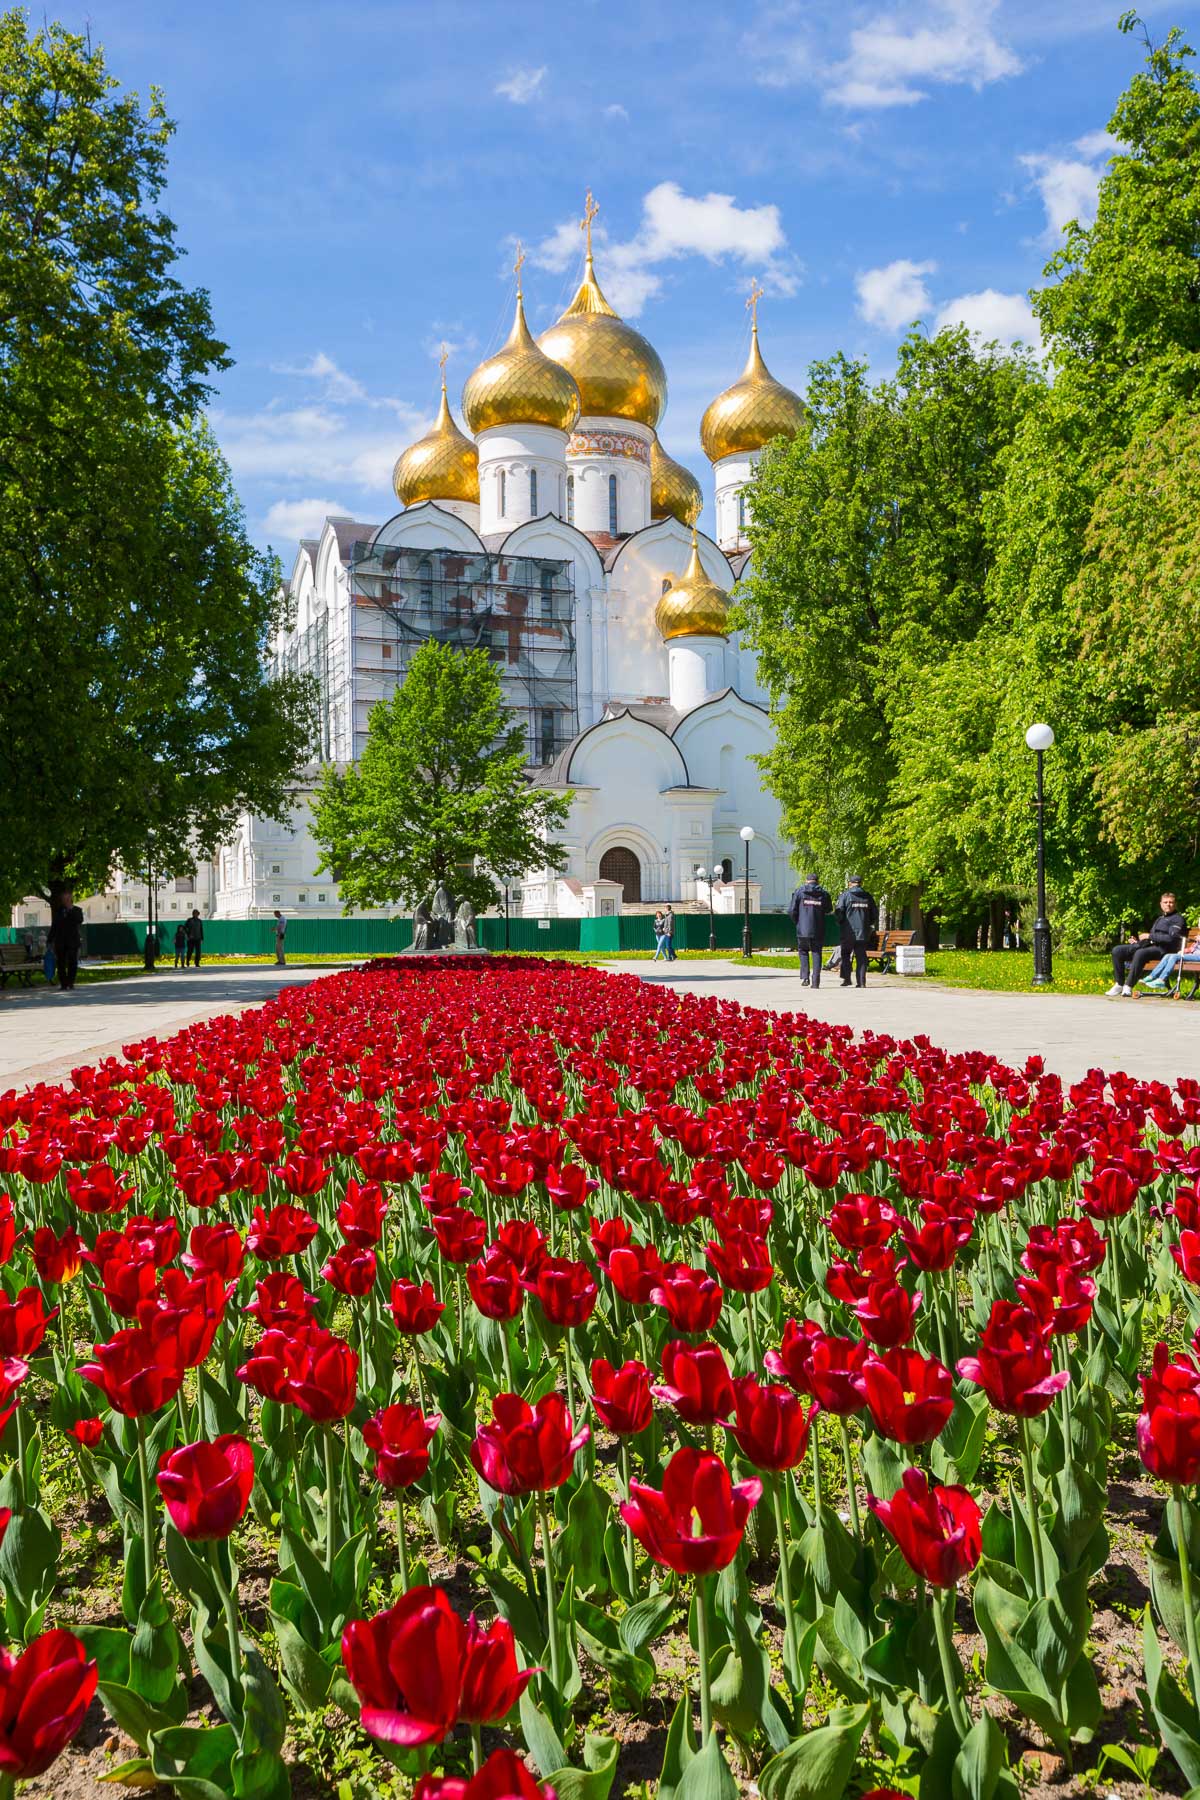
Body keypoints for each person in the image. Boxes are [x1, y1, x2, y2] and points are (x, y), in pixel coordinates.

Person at [1107, 893, 1187, 996]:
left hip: (1165, 950)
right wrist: (1138, 942)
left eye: (1171, 902)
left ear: (1175, 904)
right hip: (1150, 946)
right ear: (1161, 904)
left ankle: (1128, 986)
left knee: (1140, 953)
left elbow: (1171, 939)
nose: (1168, 904)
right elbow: (1152, 936)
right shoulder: (1160, 918)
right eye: (1165, 902)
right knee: (1117, 950)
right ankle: (1119, 984)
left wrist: (1149, 936)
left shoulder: (1178, 919)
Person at [788, 872, 833, 989]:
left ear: (806, 881)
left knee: (803, 951)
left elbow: (792, 910)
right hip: (818, 928)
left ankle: (805, 977)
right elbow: (829, 909)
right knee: (816, 952)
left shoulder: (799, 892)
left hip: (802, 929)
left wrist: (798, 922)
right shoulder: (824, 894)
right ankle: (816, 982)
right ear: (818, 881)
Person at [834, 875, 879, 990]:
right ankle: (862, 982)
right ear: (861, 883)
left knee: (845, 954)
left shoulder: (845, 896)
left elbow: (839, 912)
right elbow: (874, 914)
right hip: (863, 932)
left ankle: (847, 979)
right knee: (861, 956)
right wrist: (867, 925)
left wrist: (841, 923)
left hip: (848, 932)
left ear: (850, 883)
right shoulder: (868, 896)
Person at [51, 890, 83, 992]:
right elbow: (54, 926)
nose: (66, 900)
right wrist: (50, 940)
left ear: (71, 898)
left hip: (73, 941)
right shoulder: (58, 911)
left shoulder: (77, 910)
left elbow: (79, 920)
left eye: (67, 898)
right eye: (64, 898)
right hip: (60, 941)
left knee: (72, 962)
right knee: (60, 963)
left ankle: (70, 982)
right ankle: (63, 984)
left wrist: (70, 909)